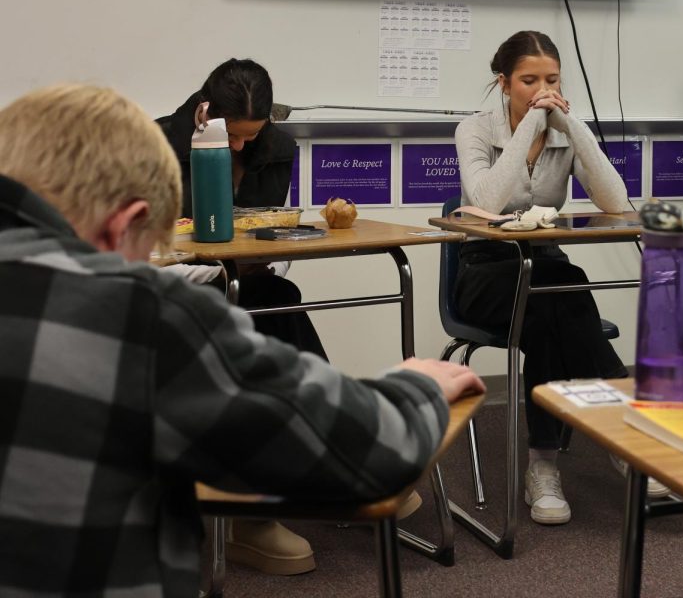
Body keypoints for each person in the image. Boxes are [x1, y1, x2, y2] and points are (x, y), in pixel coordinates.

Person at [0, 83, 484, 596]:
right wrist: (416, 386)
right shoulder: (141, 317)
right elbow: (370, 454)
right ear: (125, 225)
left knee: (275, 293)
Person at [454, 30, 631, 525]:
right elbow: (485, 202)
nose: (542, 90)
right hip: (484, 271)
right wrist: (530, 123)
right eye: (529, 81)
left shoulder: (563, 130)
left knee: (549, 305)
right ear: (504, 83)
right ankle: (622, 420)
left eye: (551, 80)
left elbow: (615, 202)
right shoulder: (473, 129)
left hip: (544, 274)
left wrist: (572, 126)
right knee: (560, 290)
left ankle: (543, 467)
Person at [157, 58, 327, 360]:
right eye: (231, 135)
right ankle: (319, 397)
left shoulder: (277, 150)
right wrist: (221, 274)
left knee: (275, 295)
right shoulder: (159, 147)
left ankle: (306, 396)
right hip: (179, 287)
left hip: (250, 284)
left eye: (251, 136)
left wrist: (267, 266)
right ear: (205, 114)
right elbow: (144, 257)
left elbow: (281, 232)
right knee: (276, 299)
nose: (239, 146)